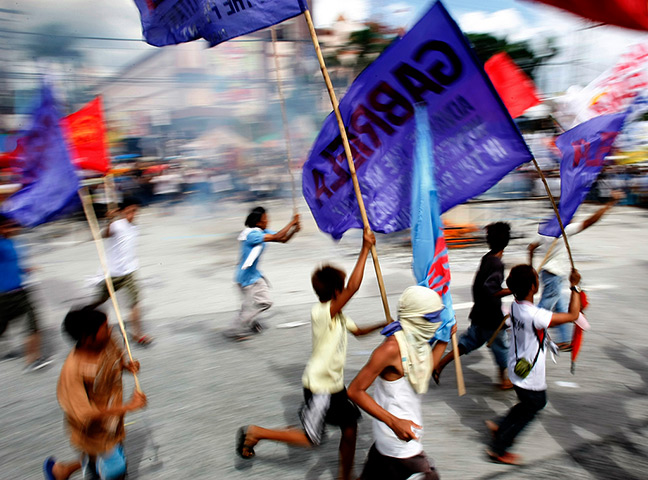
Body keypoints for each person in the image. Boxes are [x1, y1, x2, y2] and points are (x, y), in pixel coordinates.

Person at [236, 228, 387, 480]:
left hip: (335, 386)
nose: (344, 293)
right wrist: (364, 249)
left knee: (350, 429)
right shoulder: (321, 312)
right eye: (342, 290)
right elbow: (353, 288)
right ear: (336, 292)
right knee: (311, 439)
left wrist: (384, 324)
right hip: (320, 388)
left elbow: (358, 332)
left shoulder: (337, 315)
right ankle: (255, 433)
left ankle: (345, 476)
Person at [485, 265, 581, 465]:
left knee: (526, 404)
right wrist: (575, 287)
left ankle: (501, 428)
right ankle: (499, 448)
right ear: (533, 287)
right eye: (537, 279)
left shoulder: (515, 306)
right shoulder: (535, 315)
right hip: (530, 375)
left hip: (516, 368)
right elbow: (572, 316)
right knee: (536, 404)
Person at [348, 286, 445, 480]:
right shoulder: (391, 349)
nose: (435, 323)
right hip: (400, 441)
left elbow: (423, 371)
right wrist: (395, 423)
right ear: (415, 317)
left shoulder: (417, 340)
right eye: (431, 319)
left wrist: (443, 341)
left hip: (387, 441)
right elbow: (354, 390)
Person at [43, 307, 147, 479]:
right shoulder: (72, 373)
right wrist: (129, 407)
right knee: (116, 468)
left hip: (112, 423)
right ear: (87, 338)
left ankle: (62, 471)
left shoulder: (107, 341)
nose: (110, 329)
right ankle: (66, 471)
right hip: (93, 432)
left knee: (108, 457)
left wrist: (126, 366)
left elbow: (114, 363)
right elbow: (86, 415)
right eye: (105, 327)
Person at [528, 192, 622, 349]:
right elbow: (591, 221)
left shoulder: (547, 229)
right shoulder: (564, 229)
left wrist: (531, 269)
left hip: (547, 273)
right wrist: (610, 203)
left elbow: (531, 247)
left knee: (560, 306)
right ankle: (527, 328)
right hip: (554, 274)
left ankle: (564, 339)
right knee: (543, 308)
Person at [433, 222, 513, 389]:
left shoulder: (487, 258)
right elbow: (491, 290)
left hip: (479, 313)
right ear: (506, 242)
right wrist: (513, 290)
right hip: (492, 317)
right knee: (502, 347)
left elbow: (479, 286)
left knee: (468, 343)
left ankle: (440, 364)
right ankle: (504, 378)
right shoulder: (497, 264)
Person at [225, 206, 300, 340]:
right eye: (265, 219)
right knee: (248, 308)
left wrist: (294, 230)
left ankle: (249, 321)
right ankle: (234, 330)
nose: (268, 221)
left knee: (265, 302)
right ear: (258, 222)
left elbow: (282, 239)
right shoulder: (251, 234)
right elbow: (277, 236)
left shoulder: (261, 231)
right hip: (244, 279)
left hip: (255, 277)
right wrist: (291, 223)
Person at [91, 197, 150, 346]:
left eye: (135, 211)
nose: (133, 214)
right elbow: (105, 234)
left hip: (129, 272)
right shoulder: (117, 225)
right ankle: (88, 324)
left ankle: (138, 334)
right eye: (130, 211)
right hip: (112, 274)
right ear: (123, 212)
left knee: (135, 303)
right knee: (98, 302)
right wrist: (110, 220)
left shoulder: (134, 227)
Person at [0, 213, 50, 370]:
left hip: (20, 292)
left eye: (15, 225)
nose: (15, 228)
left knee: (33, 324)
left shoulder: (12, 243)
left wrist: (25, 269)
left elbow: (10, 266)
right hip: (3, 297)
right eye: (10, 226)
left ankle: (33, 359)